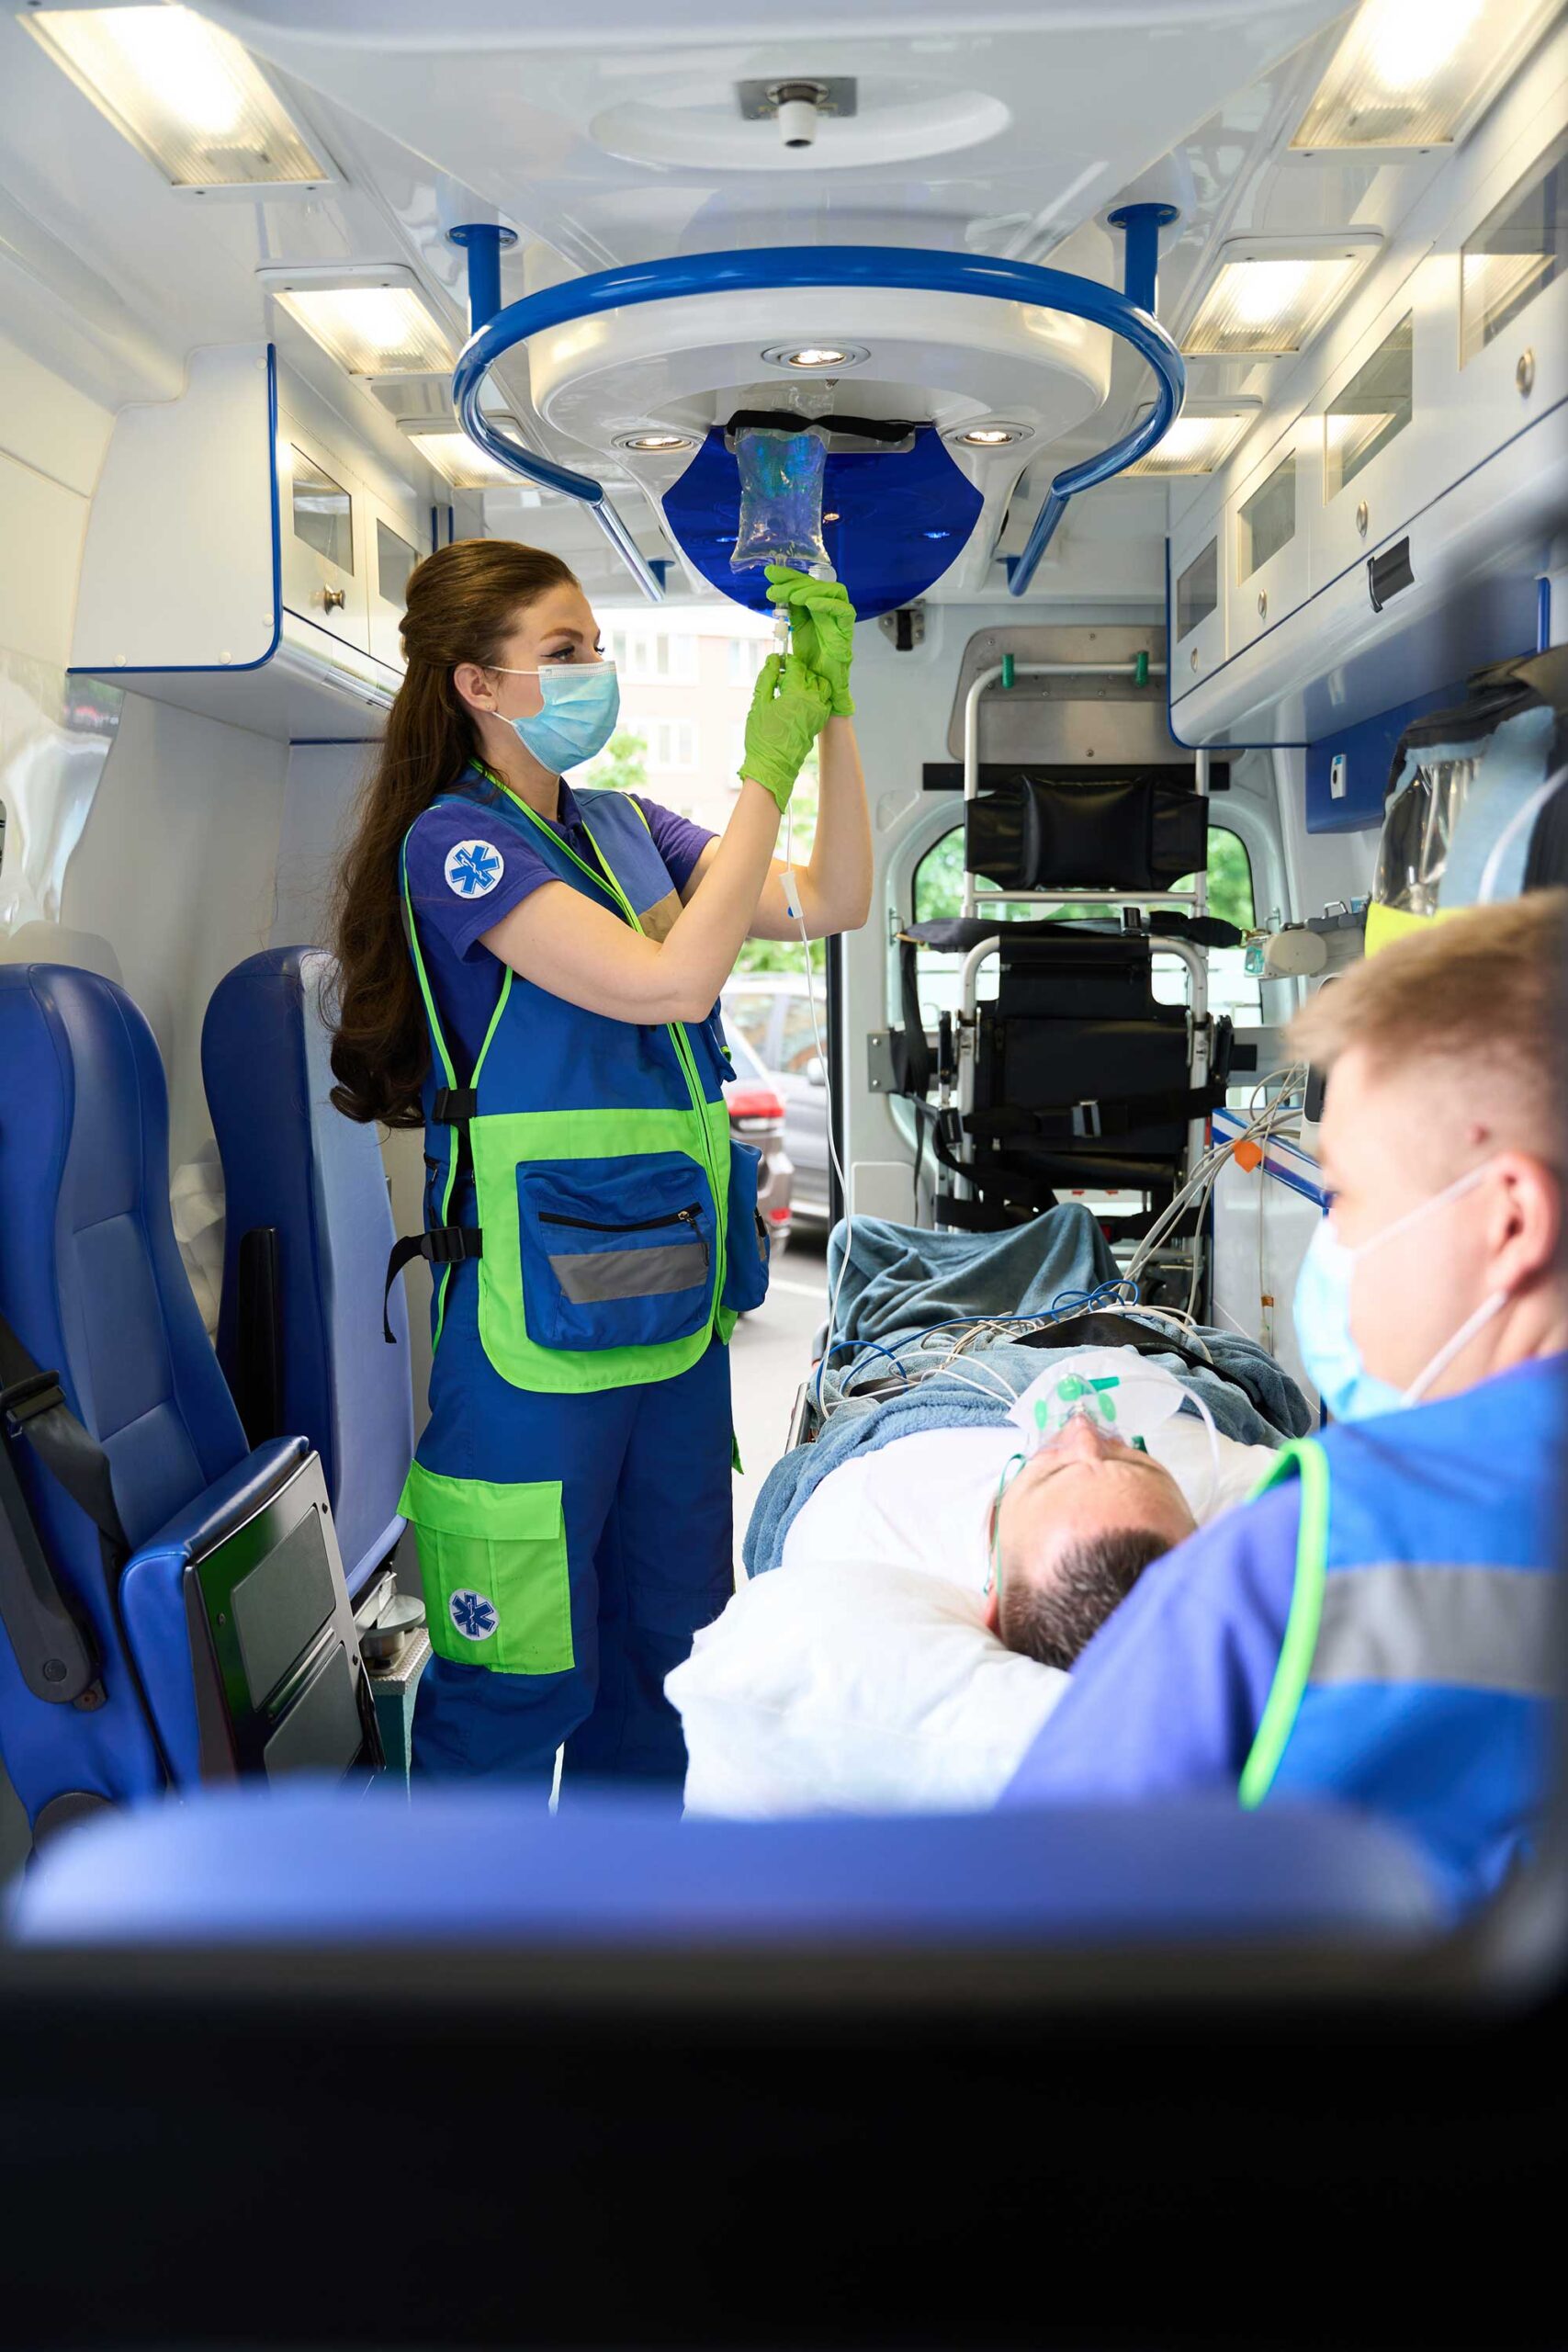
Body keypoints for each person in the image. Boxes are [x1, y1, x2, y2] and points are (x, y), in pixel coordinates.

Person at [328, 540, 870, 1787]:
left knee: (670, 1670)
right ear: (477, 684)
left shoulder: (627, 830)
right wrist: (763, 769)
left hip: (670, 1325)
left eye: (597, 647)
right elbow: (672, 983)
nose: (593, 671)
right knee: (513, 1686)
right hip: (529, 1332)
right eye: (562, 651)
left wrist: (835, 714)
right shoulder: (457, 847)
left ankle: (632, 1913)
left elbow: (833, 899)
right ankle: (475, 1920)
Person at [1000, 893, 1568, 1914]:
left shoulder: (1293, 1567)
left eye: (1346, 1198)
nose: (1332, 1246)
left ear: (1510, 1221)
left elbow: (1020, 1922)